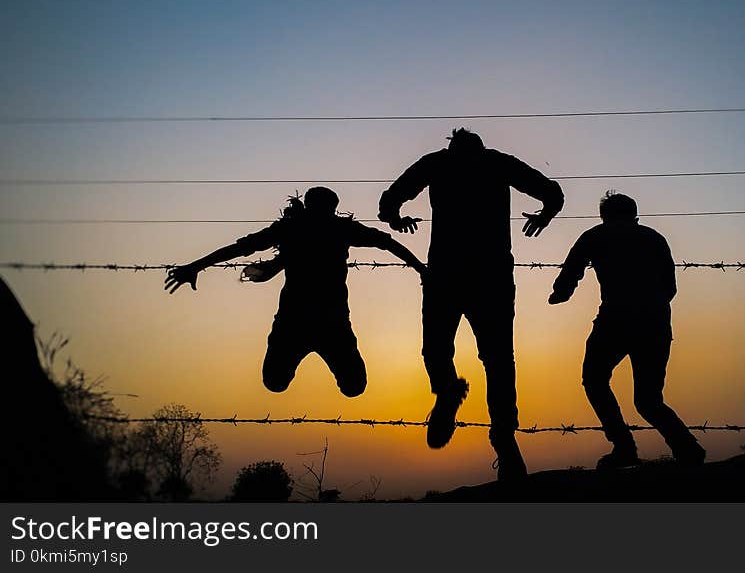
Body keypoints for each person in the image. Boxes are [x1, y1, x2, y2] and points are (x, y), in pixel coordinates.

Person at [378, 128, 564, 481]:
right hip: (490, 274)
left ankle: (447, 388)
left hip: (446, 271)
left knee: (435, 347)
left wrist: (396, 220)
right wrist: (544, 216)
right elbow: (553, 193)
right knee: (497, 358)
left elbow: (390, 200)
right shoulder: (497, 163)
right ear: (480, 148)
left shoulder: (436, 163)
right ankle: (505, 439)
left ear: (452, 148)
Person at [165, 186, 427, 398]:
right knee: (280, 383)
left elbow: (239, 247)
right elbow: (388, 243)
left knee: (350, 387)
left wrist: (196, 265)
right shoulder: (329, 228)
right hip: (314, 322)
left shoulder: (300, 229)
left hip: (313, 322)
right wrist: (420, 269)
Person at [548, 191, 705, 468]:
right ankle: (686, 447)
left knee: (594, 380)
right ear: (635, 214)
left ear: (604, 216)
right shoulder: (654, 238)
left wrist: (560, 293)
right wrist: (651, 306)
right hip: (655, 322)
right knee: (648, 399)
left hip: (614, 321)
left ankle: (623, 447)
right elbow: (670, 286)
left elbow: (571, 271)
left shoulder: (595, 236)